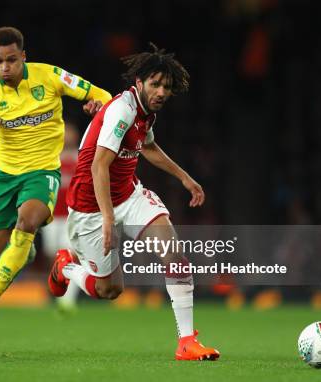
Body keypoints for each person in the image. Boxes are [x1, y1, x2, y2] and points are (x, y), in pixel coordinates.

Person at [49, 44, 220, 360]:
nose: (161, 91)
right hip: (90, 207)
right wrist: (108, 219)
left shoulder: (146, 113)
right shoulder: (122, 110)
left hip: (129, 195)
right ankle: (66, 266)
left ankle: (186, 342)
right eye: (155, 84)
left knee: (173, 252)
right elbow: (99, 165)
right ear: (138, 82)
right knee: (109, 291)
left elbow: (149, 147)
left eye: (166, 87)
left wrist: (184, 177)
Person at [0, 26, 111, 333]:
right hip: (2, 176)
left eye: (11, 60)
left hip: (42, 172)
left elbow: (103, 95)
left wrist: (97, 106)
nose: (4, 67)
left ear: (23, 57)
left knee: (26, 222)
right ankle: (24, 251)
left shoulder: (50, 76)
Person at [40, 123, 81, 312]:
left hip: (71, 217)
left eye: (70, 134)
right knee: (52, 254)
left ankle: (67, 301)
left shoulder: (80, 160)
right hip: (51, 217)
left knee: (69, 255)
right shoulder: (50, 159)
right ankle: (56, 289)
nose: (67, 137)